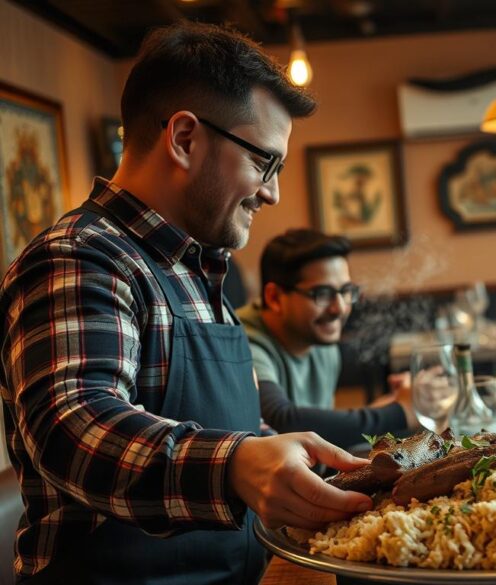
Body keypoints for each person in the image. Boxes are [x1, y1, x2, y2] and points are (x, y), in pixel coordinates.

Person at [0, 22, 372, 584]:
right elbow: (73, 427)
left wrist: (290, 461)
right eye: (264, 163)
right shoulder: (82, 257)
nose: (271, 192)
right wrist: (236, 465)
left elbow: (226, 429)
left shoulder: (198, 266)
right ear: (184, 139)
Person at [238, 228, 415, 449]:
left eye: (346, 291)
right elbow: (282, 420)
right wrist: (399, 412)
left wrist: (387, 406)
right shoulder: (242, 342)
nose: (340, 308)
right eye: (322, 294)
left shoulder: (321, 340)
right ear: (274, 297)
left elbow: (319, 435)